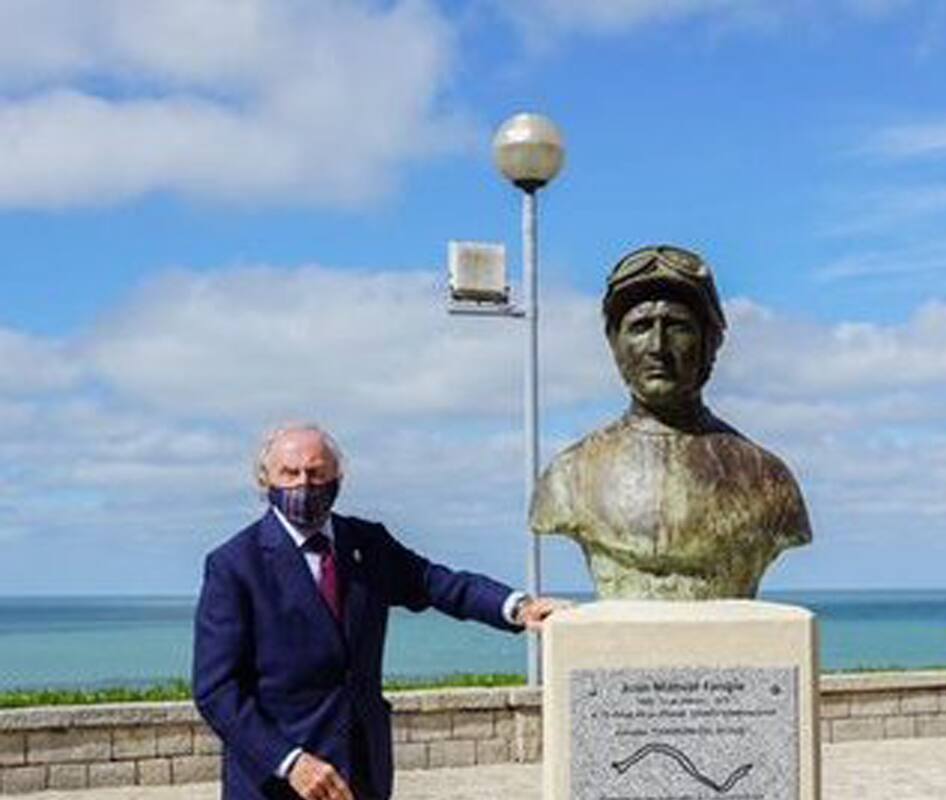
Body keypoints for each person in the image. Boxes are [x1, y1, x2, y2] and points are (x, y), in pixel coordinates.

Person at [193, 423, 555, 800]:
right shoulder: (234, 565)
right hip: (277, 784)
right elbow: (216, 691)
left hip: (363, 774)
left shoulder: (368, 544)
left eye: (317, 473)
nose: (304, 483)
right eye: (290, 473)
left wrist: (518, 608)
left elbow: (437, 583)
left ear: (339, 477)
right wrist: (290, 762)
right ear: (265, 479)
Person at [530, 245, 811, 599]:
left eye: (677, 327)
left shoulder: (768, 479)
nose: (658, 346)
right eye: (640, 327)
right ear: (614, 343)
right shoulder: (568, 475)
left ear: (712, 342)